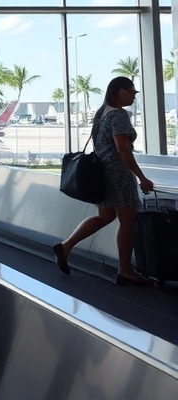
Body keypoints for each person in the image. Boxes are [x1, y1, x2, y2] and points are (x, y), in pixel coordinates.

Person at [53, 76, 154, 286]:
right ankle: (125, 270)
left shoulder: (101, 112)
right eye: (131, 91)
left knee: (105, 216)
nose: (134, 95)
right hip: (118, 174)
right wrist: (141, 178)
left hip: (102, 173)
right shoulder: (119, 115)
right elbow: (123, 150)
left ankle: (66, 245)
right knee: (128, 222)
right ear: (119, 91)